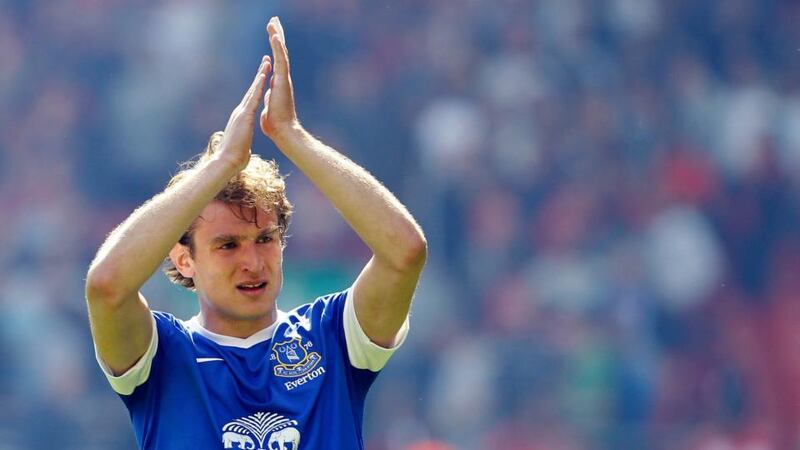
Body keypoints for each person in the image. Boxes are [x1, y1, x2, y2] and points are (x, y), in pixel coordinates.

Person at [85, 16, 427, 450]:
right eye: (227, 245)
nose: (252, 261)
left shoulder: (331, 337)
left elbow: (405, 252)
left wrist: (293, 136)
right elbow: (106, 285)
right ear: (183, 258)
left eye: (264, 238)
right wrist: (220, 165)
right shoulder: (163, 357)